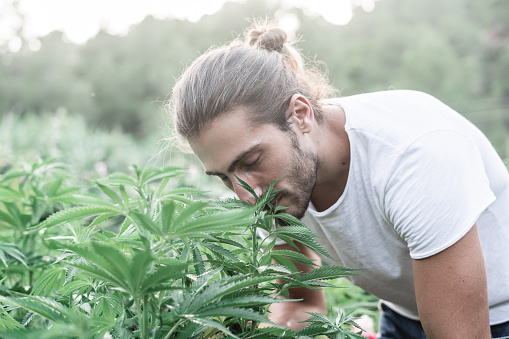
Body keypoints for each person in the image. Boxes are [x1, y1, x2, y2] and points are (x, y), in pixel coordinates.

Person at [170, 20, 509, 338]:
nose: (247, 195)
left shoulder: (411, 155)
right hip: (403, 312)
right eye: (224, 177)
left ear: (300, 115)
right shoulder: (271, 187)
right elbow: (300, 303)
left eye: (252, 161)